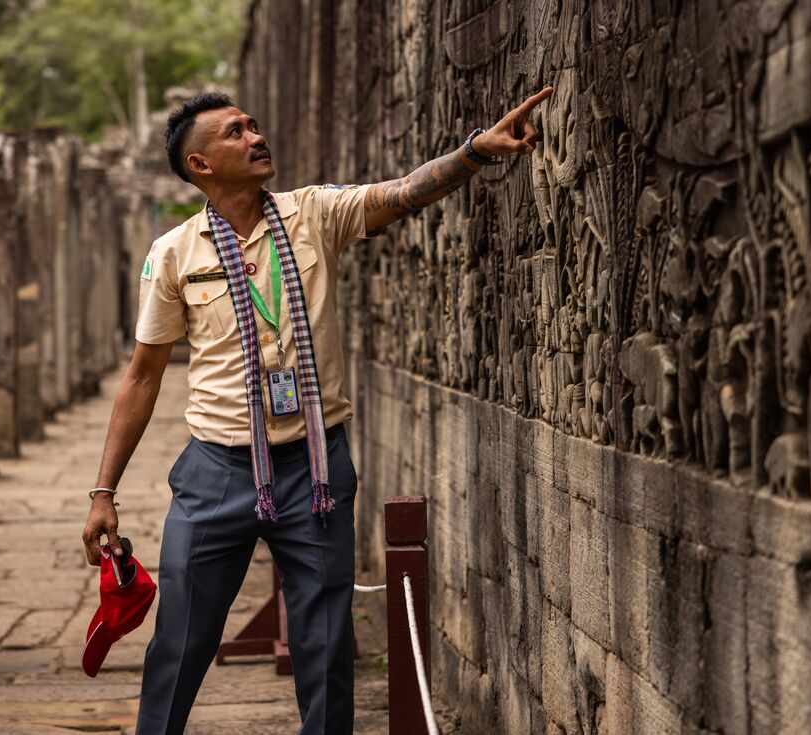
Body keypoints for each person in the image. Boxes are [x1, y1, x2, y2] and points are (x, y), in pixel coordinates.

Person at [81, 87, 553, 734]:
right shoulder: (175, 254)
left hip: (316, 469)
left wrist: (475, 151)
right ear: (200, 166)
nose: (255, 136)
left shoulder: (313, 214)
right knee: (180, 641)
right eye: (234, 133)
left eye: (253, 124)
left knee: (327, 646)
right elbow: (141, 377)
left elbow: (401, 192)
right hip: (216, 471)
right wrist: (103, 490)